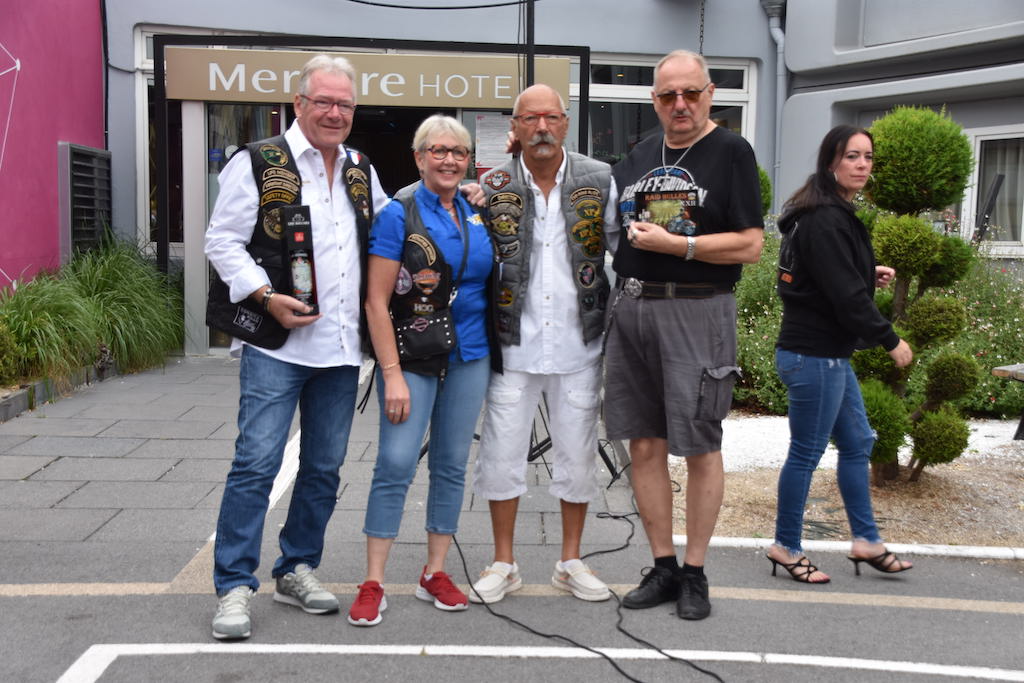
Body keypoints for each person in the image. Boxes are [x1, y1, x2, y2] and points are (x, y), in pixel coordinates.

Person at [204, 55, 388, 640]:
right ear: (299, 103)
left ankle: (296, 567)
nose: (335, 113)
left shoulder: (360, 168)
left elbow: (390, 229)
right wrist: (264, 296)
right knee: (256, 464)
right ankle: (234, 585)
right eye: (324, 102)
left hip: (341, 348)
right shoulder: (260, 161)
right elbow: (222, 241)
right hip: (278, 347)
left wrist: (453, 196)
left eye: (345, 104)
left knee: (323, 468)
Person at [604, 50, 764, 620]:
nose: (680, 104)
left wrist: (681, 246)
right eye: (668, 95)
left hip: (697, 309)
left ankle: (695, 572)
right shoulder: (640, 155)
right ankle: (664, 565)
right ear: (654, 100)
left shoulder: (731, 152)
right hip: (633, 308)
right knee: (644, 443)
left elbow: (751, 244)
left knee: (699, 444)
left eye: (691, 93)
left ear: (709, 94)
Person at [468, 84, 617, 604]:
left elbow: (620, 249)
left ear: (566, 123)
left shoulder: (600, 179)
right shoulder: (492, 185)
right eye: (529, 119)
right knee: (500, 456)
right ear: (515, 127)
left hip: (579, 345)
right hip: (513, 345)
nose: (541, 128)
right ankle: (503, 563)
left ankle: (570, 562)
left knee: (577, 457)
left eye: (551, 117)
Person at [347, 115, 495, 627]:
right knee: (396, 462)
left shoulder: (476, 211)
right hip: (412, 356)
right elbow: (376, 301)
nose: (449, 160)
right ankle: (373, 580)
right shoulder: (398, 214)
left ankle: (435, 571)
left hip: (471, 354)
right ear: (419, 157)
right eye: (438, 151)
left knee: (451, 464)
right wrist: (390, 374)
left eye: (459, 152)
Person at [767, 125, 914, 583]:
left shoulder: (825, 212)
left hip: (826, 355)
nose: (862, 165)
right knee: (806, 454)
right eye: (852, 156)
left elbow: (827, 277)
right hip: (814, 356)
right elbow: (846, 298)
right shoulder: (826, 218)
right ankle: (786, 546)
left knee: (856, 443)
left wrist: (867, 272)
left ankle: (866, 540)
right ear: (831, 161)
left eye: (868, 157)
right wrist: (890, 339)